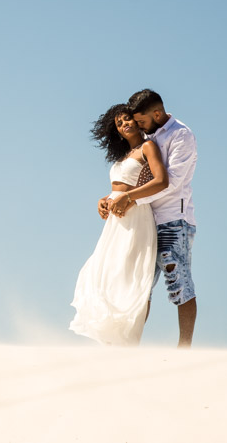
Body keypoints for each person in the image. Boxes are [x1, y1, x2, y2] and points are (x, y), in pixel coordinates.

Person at [70, 104, 170, 345]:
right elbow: (120, 187)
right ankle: (111, 339)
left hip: (136, 217)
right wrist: (104, 200)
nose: (124, 124)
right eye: (119, 123)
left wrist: (127, 197)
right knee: (105, 274)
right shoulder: (122, 156)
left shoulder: (147, 147)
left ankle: (130, 341)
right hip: (116, 222)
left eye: (127, 119)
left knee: (131, 278)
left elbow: (161, 181)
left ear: (136, 120)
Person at [110, 89, 199, 347]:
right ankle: (130, 345)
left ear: (157, 114)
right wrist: (113, 198)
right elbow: (138, 177)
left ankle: (185, 348)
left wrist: (131, 199)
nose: (138, 126)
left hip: (173, 220)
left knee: (179, 282)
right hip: (146, 222)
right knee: (141, 285)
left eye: (141, 121)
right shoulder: (149, 136)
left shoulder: (181, 135)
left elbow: (171, 182)